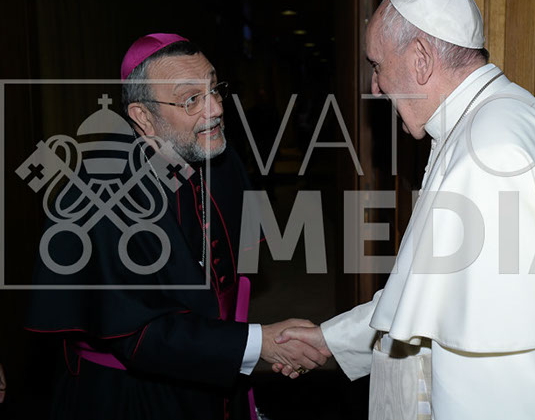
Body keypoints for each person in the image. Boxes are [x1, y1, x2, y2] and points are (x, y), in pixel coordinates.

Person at [275, 0, 535, 419]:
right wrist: (331, 340)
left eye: (377, 65)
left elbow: (501, 377)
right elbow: (430, 289)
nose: (375, 86)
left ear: (420, 59)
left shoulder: (490, 158)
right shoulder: (497, 114)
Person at [25, 33, 329, 420]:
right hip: (133, 395)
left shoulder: (217, 157)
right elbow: (138, 332)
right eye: (191, 99)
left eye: (214, 90)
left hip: (216, 369)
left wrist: (246, 343)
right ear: (142, 116)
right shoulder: (102, 193)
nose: (215, 109)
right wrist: (258, 343)